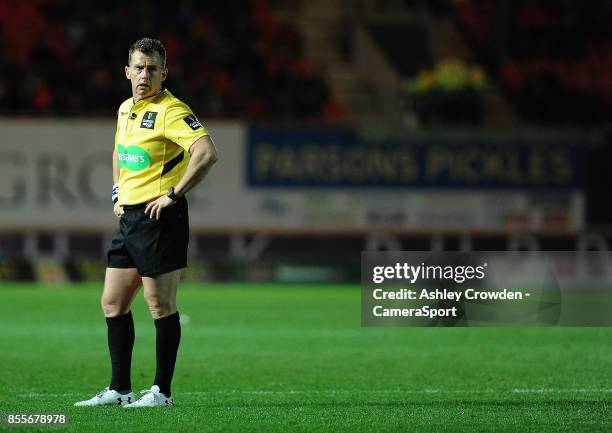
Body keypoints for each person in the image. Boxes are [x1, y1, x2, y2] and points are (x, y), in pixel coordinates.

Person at [74, 37, 218, 408]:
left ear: (163, 73)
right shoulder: (125, 109)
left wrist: (173, 194)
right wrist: (117, 192)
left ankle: (161, 392)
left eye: (152, 68)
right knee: (112, 303)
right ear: (127, 72)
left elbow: (206, 152)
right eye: (138, 67)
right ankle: (120, 390)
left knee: (159, 305)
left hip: (160, 218)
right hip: (131, 219)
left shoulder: (172, 110)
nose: (144, 75)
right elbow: (119, 150)